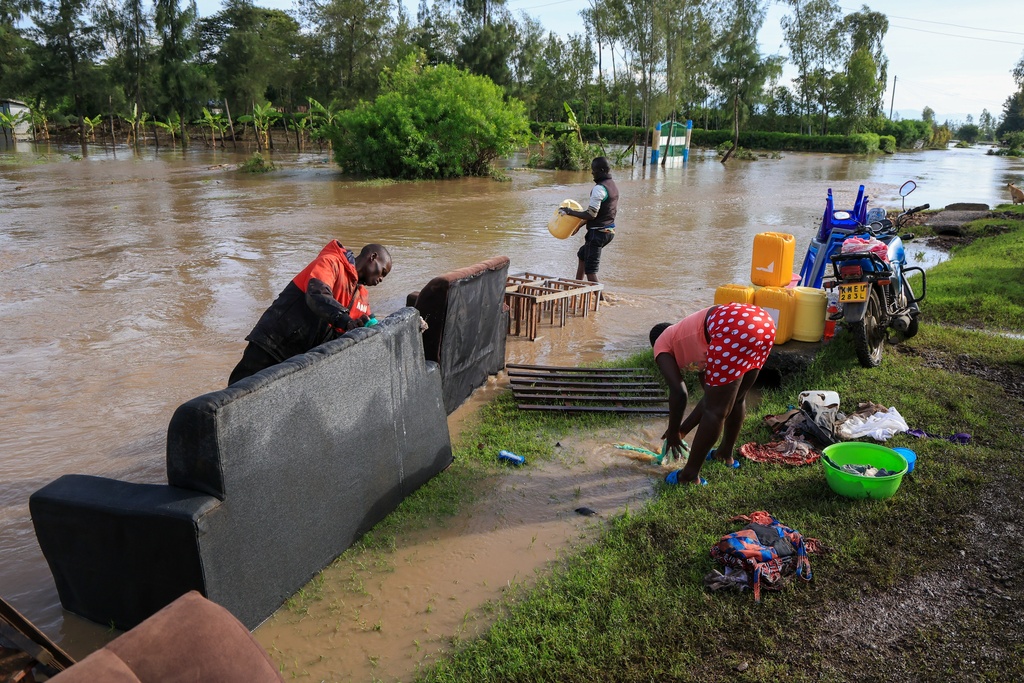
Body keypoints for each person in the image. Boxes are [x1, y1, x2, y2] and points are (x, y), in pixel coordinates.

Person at [228, 240, 392, 385]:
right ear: (372, 257)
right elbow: (317, 295)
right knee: (239, 390)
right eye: (383, 272)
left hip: (298, 359)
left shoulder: (361, 295)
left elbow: (370, 323)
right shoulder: (331, 263)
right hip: (273, 344)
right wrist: (346, 321)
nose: (381, 279)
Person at [649, 303, 776, 486]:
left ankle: (689, 476)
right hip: (763, 323)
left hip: (733, 326)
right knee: (737, 398)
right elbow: (710, 397)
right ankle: (724, 455)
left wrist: (674, 433)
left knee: (715, 411)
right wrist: (682, 430)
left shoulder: (661, 344)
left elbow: (679, 392)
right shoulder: (693, 340)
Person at [558, 156, 618, 285]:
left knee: (591, 271)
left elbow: (591, 214)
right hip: (608, 232)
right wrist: (579, 225)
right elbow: (598, 213)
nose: (592, 173)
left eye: (594, 170)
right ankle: (576, 287)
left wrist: (569, 211)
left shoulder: (599, 189)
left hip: (597, 234)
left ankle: (602, 301)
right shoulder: (612, 186)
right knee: (582, 255)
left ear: (601, 170)